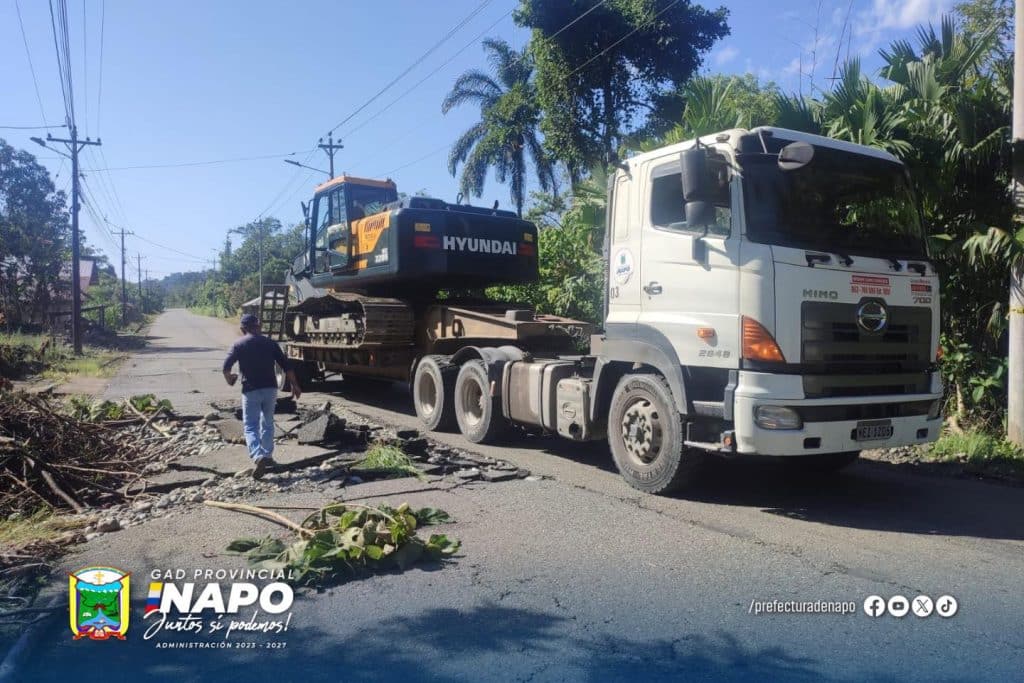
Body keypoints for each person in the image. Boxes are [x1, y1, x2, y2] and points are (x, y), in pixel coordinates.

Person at [222, 313, 300, 478]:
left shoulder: (238, 344)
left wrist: (230, 379)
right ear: (258, 326)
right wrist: (295, 385)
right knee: (268, 422)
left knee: (250, 426)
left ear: (243, 328)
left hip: (250, 390)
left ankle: (258, 455)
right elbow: (286, 365)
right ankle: (268, 456)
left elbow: (226, 367)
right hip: (270, 389)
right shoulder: (270, 343)